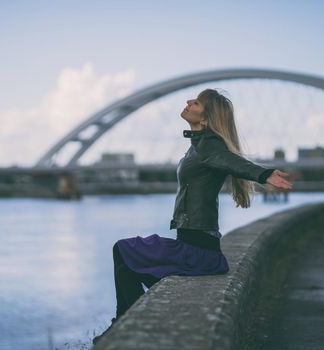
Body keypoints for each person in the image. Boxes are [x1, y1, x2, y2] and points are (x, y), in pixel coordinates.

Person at [92, 88, 293, 345]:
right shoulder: (197, 145)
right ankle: (124, 323)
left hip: (199, 252)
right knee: (126, 263)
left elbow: (232, 162)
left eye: (196, 102)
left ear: (206, 119)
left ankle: (121, 325)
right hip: (191, 245)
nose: (188, 102)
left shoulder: (209, 146)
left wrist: (264, 174)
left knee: (123, 250)